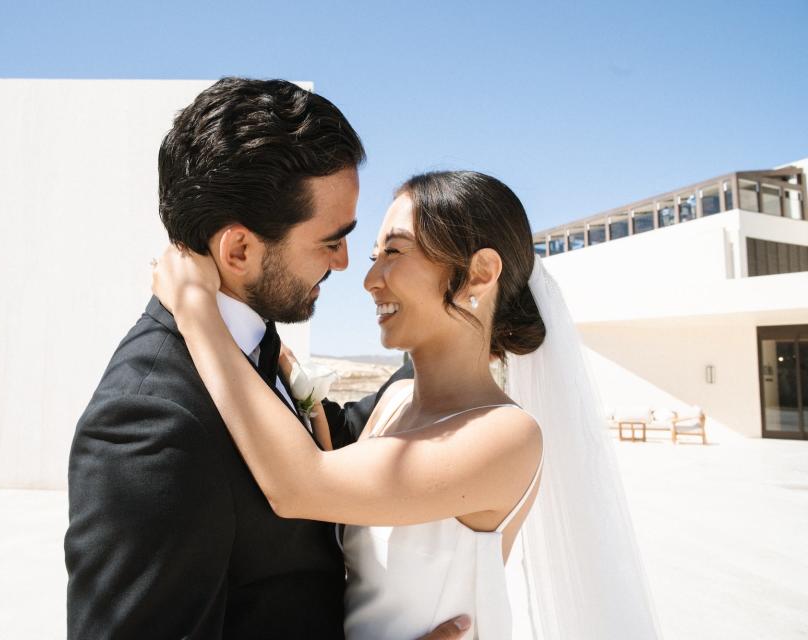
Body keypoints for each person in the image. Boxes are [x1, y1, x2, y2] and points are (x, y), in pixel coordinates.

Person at [151, 171, 661, 639]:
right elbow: (339, 489)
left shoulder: (506, 435)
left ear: (480, 273)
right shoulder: (395, 399)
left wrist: (197, 310)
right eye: (376, 256)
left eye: (394, 252)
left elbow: (300, 485)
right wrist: (282, 371)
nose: (371, 279)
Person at [64, 77, 468, 640]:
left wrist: (447, 339)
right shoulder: (150, 422)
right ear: (239, 250)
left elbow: (327, 435)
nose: (348, 263)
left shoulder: (256, 343)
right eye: (330, 240)